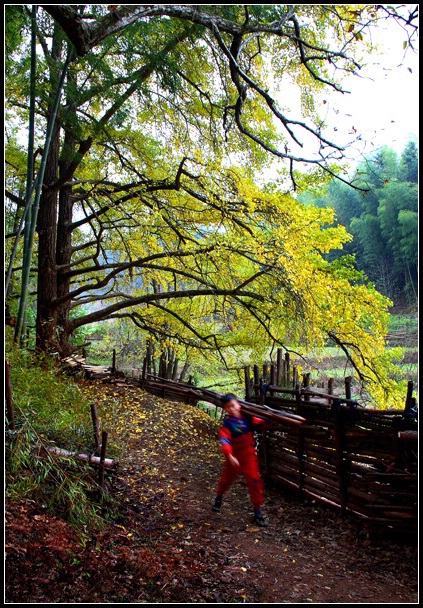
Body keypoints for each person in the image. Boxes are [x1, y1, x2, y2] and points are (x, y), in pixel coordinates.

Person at [212, 393, 269, 526]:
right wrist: (230, 456)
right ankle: (219, 497)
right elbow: (225, 441)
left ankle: (258, 510)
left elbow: (261, 422)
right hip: (234, 457)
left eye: (233, 405)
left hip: (249, 455)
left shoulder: (248, 418)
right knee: (226, 480)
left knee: (255, 480)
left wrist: (269, 419)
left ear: (238, 404)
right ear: (225, 409)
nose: (232, 409)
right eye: (228, 407)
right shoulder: (228, 424)